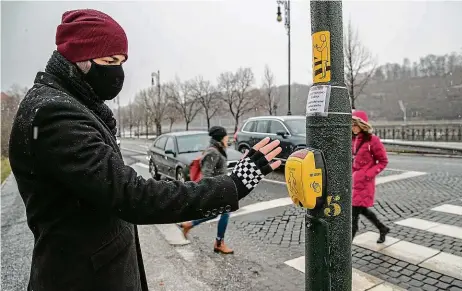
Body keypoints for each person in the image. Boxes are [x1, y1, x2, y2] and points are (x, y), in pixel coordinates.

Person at [8, 9, 282, 291]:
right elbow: (133, 196)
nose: (118, 72)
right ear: (80, 58)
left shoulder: (70, 104)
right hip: (83, 279)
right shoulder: (55, 114)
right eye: (111, 60)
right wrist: (234, 184)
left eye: (122, 61)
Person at [180, 126, 235, 254]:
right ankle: (219, 243)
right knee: (225, 212)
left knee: (216, 213)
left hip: (221, 187)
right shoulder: (214, 152)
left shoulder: (218, 150)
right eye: (226, 136)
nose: (228, 138)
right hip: (217, 189)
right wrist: (212, 191)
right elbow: (206, 174)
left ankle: (190, 224)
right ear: (221, 138)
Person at [351, 110, 390, 243]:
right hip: (353, 183)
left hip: (364, 183)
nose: (353, 127)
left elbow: (383, 161)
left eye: (355, 124)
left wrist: (368, 174)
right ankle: (382, 228)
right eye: (351, 124)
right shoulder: (352, 139)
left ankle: (344, 249)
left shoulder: (372, 140)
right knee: (362, 210)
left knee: (353, 215)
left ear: (362, 125)